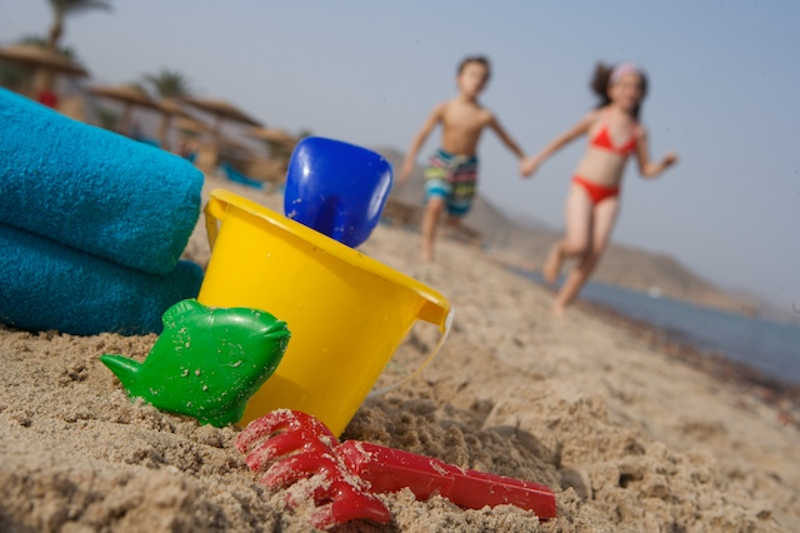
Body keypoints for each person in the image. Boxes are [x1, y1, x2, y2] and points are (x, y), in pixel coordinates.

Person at [521, 62, 678, 315]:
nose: (630, 91)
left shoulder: (639, 132)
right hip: (583, 186)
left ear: (642, 94)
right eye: (625, 85)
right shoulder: (597, 118)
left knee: (595, 252)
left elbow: (645, 170)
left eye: (636, 87)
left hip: (610, 197)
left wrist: (664, 165)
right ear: (611, 89)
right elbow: (563, 140)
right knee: (579, 244)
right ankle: (560, 250)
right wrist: (535, 161)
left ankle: (562, 303)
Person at [399, 55, 527, 261]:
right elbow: (423, 134)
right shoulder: (445, 107)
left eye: (483, 78)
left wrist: (523, 158)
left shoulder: (485, 115)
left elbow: (506, 139)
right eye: (472, 75)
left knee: (454, 219)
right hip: (442, 161)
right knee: (435, 204)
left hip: (467, 168)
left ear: (486, 84)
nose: (477, 80)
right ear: (459, 78)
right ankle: (427, 249)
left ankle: (454, 226)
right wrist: (409, 160)